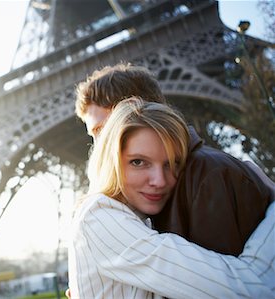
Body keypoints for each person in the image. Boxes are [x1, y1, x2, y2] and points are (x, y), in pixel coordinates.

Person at [68, 98, 275, 298]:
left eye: (171, 164)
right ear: (111, 161)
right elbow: (248, 288)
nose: (159, 181)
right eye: (138, 162)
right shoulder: (100, 218)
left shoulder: (134, 218)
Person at [75, 63, 273, 256]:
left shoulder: (208, 174)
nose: (98, 146)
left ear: (136, 112)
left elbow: (227, 285)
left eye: (102, 130)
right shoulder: (153, 190)